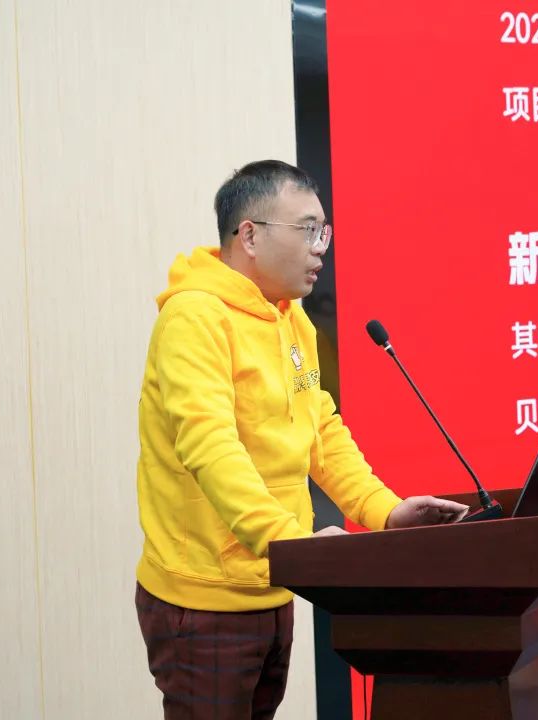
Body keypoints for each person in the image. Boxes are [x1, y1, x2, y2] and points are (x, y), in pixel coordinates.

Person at [135, 160, 469, 719]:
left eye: (324, 232)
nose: (320, 249)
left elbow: (322, 432)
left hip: (274, 581)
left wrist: (384, 510)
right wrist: (291, 545)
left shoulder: (290, 319)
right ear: (250, 236)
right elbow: (211, 449)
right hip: (205, 597)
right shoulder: (194, 319)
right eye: (307, 230)